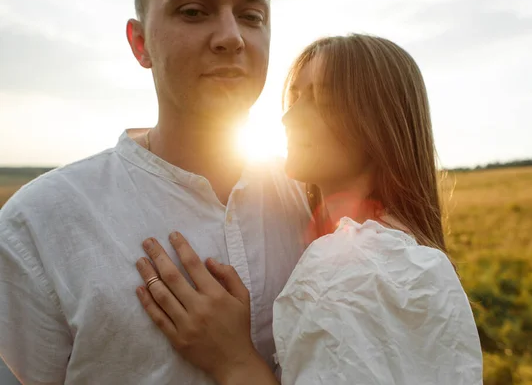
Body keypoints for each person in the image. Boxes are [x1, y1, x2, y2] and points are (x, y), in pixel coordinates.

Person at [0, 0, 311, 384]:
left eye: (252, 17)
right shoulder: (37, 224)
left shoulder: (311, 199)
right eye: (194, 11)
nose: (232, 36)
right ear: (140, 42)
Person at [133, 34, 484, 384]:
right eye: (295, 96)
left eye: (320, 99)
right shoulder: (402, 253)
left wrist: (233, 359)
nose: (289, 117)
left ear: (378, 123)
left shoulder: (356, 263)